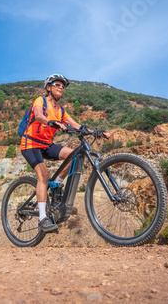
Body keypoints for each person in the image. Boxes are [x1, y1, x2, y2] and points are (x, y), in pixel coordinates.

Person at [20, 74, 111, 233]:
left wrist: (96, 132)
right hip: (31, 143)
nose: (61, 87)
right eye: (57, 84)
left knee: (75, 155)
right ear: (48, 87)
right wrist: (50, 121)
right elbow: (38, 115)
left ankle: (56, 184)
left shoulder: (61, 110)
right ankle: (42, 219)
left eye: (63, 86)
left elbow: (77, 125)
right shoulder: (41, 101)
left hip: (47, 145)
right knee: (43, 175)